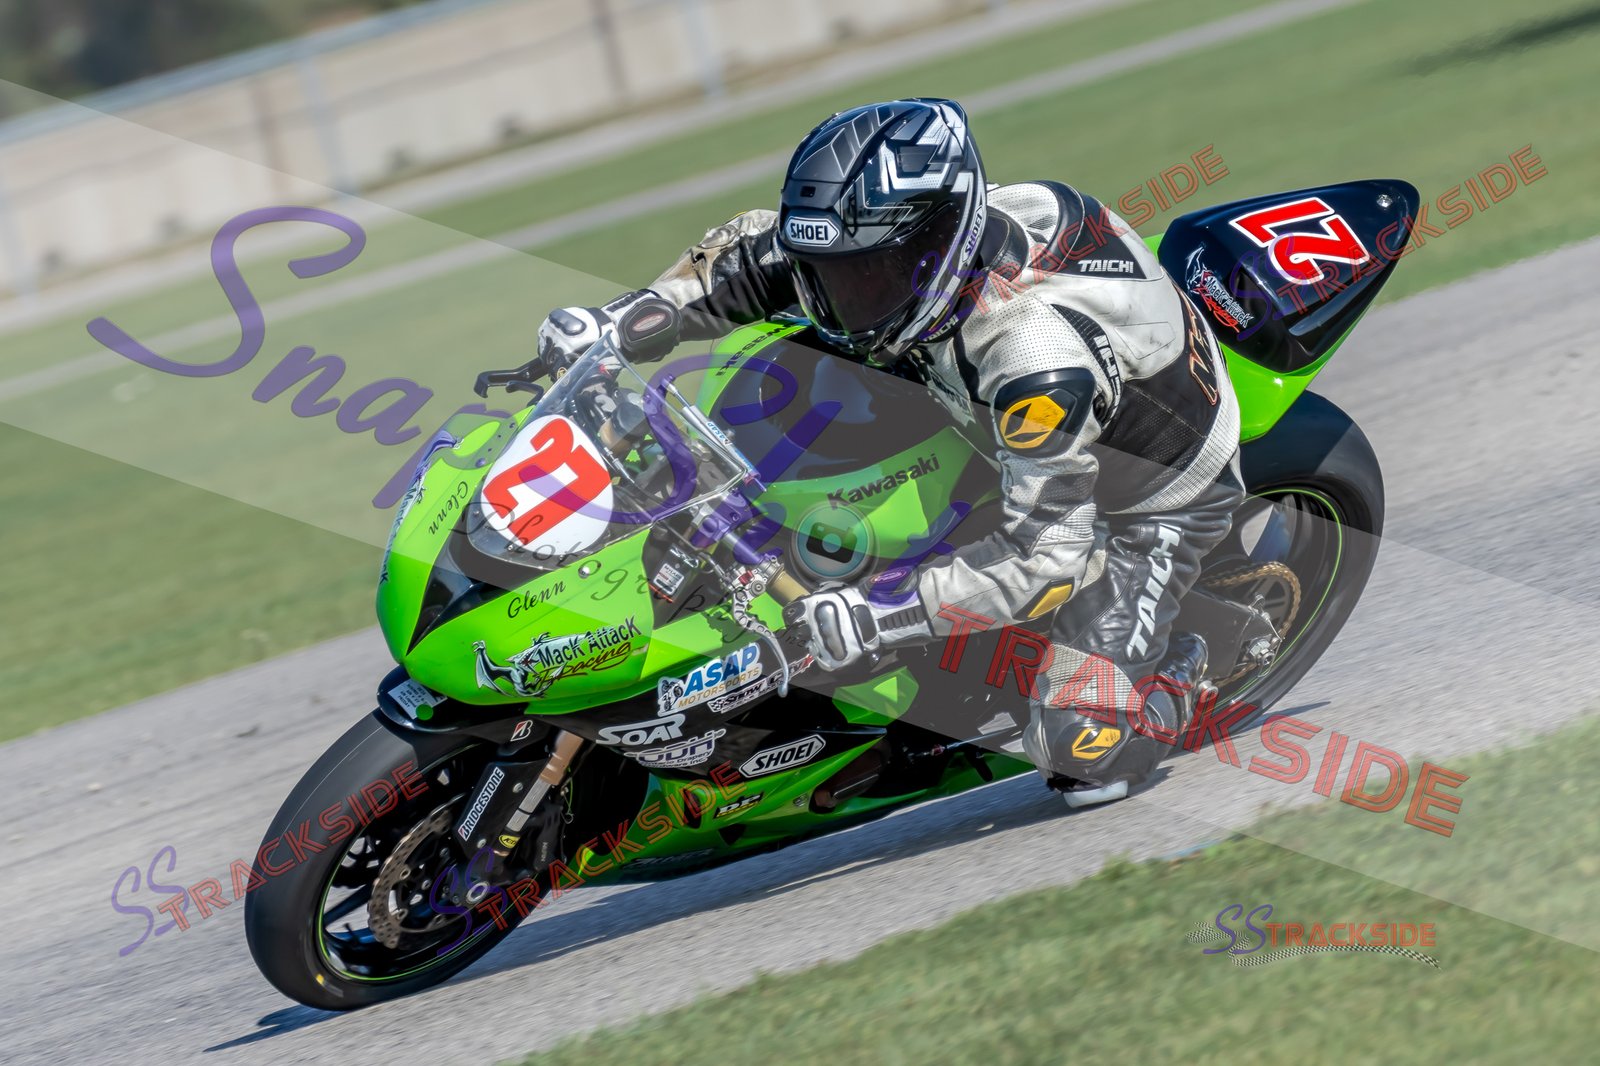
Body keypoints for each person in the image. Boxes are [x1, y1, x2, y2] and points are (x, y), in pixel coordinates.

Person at [535, 98, 1243, 807]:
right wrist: (614, 324)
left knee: (1081, 758)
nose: (845, 299)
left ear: (942, 244)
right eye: (831, 274)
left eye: (872, 276)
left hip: (1149, 496)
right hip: (983, 400)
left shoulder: (1034, 360)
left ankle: (1181, 664)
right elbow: (754, 254)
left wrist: (876, 615)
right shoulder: (906, 250)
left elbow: (1044, 557)